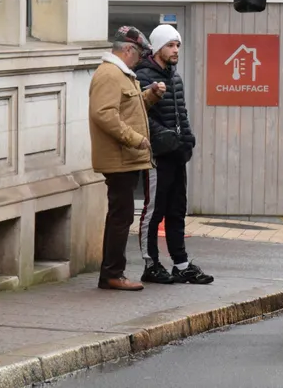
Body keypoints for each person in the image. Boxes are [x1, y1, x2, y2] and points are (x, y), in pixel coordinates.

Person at [134, 24, 214, 285]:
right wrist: (163, 137)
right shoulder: (144, 76)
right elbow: (139, 115)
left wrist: (187, 140)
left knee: (177, 209)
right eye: (170, 45)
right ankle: (151, 263)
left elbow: (182, 113)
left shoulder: (174, 77)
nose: (175, 49)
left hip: (177, 153)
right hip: (158, 155)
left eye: (177, 45)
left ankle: (181, 264)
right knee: (154, 210)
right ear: (158, 48)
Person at [88, 26, 165, 291]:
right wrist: (134, 139)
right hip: (119, 158)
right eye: (139, 53)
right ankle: (112, 274)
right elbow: (105, 114)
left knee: (120, 216)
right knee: (120, 217)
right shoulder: (110, 74)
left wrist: (150, 95)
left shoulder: (121, 74)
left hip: (124, 158)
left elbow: (129, 109)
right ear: (128, 49)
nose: (141, 58)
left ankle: (112, 273)